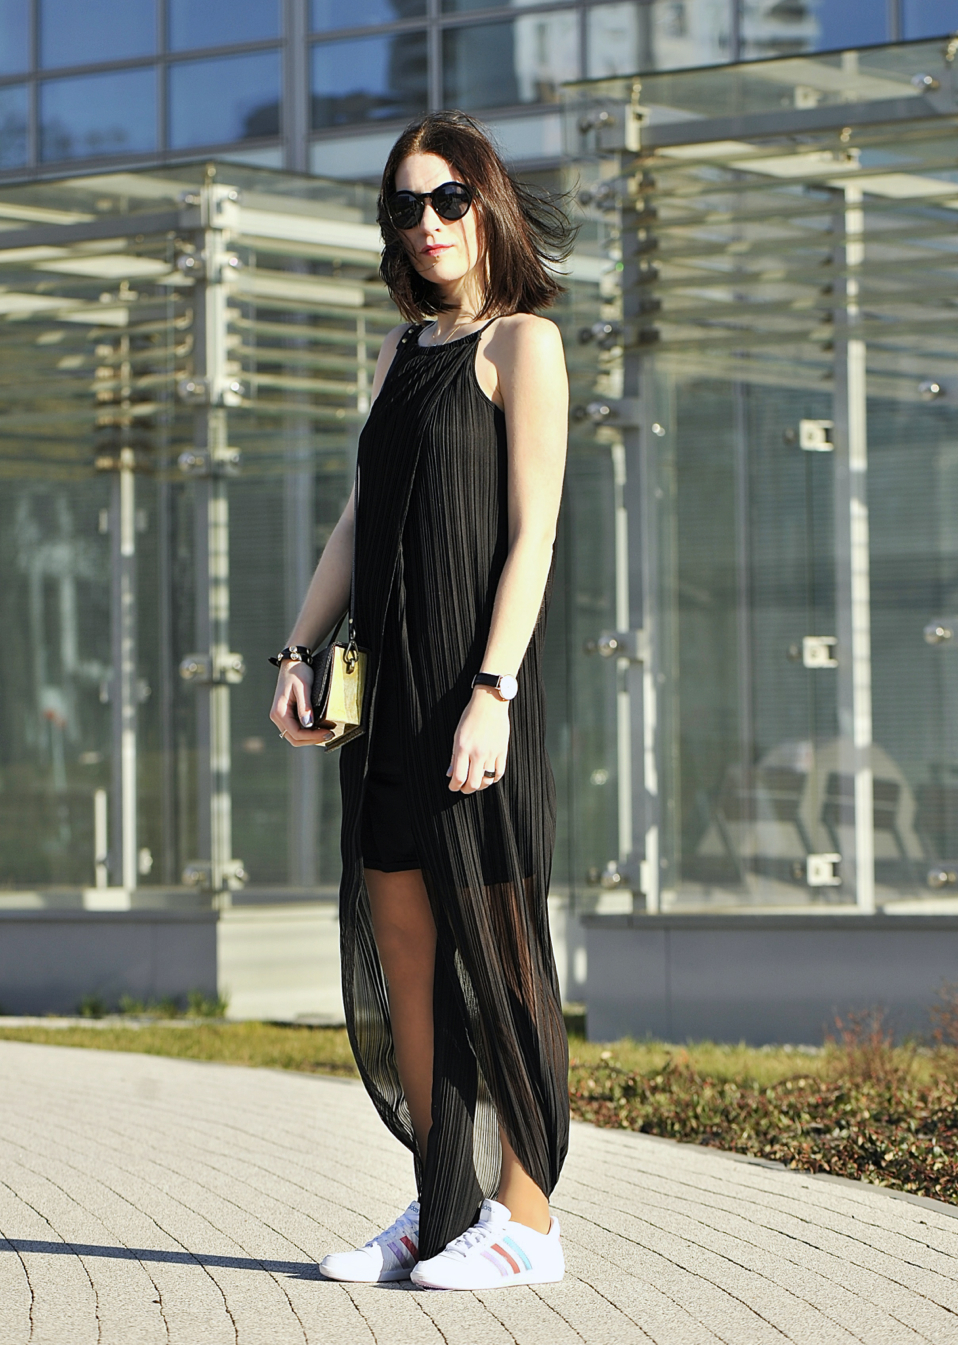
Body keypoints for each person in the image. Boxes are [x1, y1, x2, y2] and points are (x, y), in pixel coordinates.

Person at [269, 110, 574, 1291]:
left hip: (473, 694)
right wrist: (297, 651)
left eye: (448, 198)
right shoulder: (400, 353)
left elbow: (533, 533)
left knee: (502, 959)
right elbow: (359, 521)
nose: (429, 222)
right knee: (406, 951)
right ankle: (445, 1205)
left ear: (486, 203)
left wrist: (494, 689)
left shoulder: (523, 346)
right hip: (391, 697)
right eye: (406, 205)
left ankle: (528, 1221)